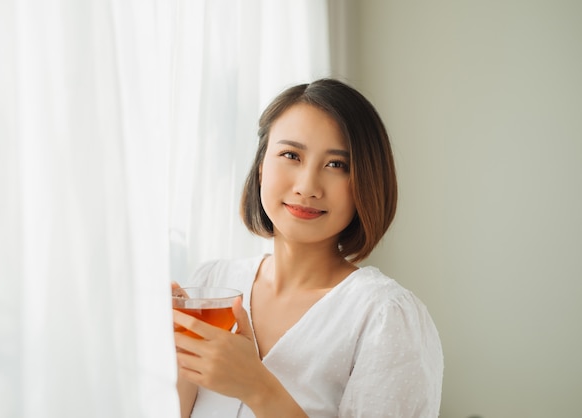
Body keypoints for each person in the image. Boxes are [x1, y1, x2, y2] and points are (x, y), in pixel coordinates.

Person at [172, 78, 444, 417]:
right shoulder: (211, 282)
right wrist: (176, 360)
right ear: (260, 168)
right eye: (290, 155)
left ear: (366, 181)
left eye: (336, 165)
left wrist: (258, 387)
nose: (307, 186)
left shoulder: (385, 317)